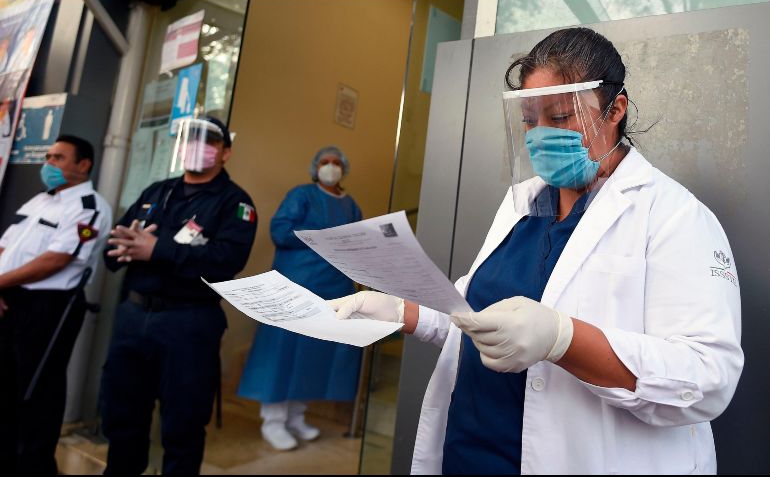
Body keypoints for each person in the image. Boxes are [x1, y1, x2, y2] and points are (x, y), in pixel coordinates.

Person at [331, 27, 743, 474]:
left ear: (615, 109)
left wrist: (563, 339)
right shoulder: (520, 202)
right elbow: (476, 314)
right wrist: (399, 311)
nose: (541, 134)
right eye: (530, 119)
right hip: (469, 453)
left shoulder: (674, 216)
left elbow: (707, 377)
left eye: (561, 116)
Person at [100, 116, 257, 475]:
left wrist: (158, 251)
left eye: (209, 141)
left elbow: (225, 262)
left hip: (188, 324)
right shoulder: (156, 192)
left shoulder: (235, 204)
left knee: (182, 425)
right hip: (134, 317)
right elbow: (116, 245)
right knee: (122, 415)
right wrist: (123, 249)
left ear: (226, 152)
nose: (195, 147)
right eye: (189, 138)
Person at [237, 146, 363, 451]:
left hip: (334, 288)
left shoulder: (350, 206)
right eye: (325, 162)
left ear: (343, 168)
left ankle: (296, 417)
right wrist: (320, 235)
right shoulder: (302, 195)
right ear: (315, 167)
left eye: (336, 163)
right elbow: (280, 231)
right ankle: (274, 421)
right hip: (295, 286)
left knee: (313, 354)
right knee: (283, 350)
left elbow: (358, 240)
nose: (331, 167)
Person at [0, 135, 112, 474]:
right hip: (9, 298)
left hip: (48, 306)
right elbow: (6, 248)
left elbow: (57, 260)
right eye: (48, 156)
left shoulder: (90, 207)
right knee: (6, 384)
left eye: (58, 158)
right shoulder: (40, 201)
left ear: (83, 165)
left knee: (38, 390)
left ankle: (34, 466)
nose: (49, 163)